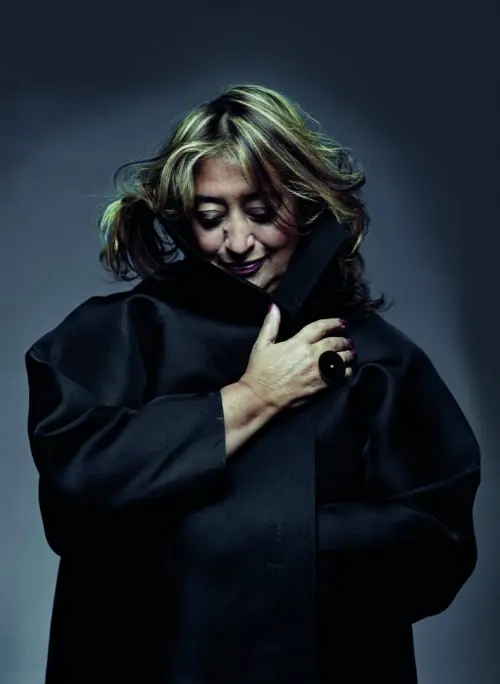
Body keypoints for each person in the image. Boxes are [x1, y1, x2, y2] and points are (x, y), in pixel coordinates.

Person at [25, 84, 481, 684]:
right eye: (210, 218)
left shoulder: (376, 359)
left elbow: (438, 544)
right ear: (181, 217)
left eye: (262, 213)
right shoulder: (117, 334)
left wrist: (254, 545)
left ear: (306, 204)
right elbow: (77, 496)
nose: (238, 243)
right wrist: (254, 396)